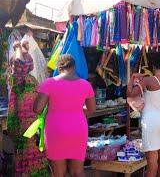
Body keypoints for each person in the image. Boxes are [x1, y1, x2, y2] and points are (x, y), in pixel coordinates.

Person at [33, 54, 96, 177]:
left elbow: (37, 109)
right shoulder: (85, 84)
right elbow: (91, 109)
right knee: (77, 172)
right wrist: (75, 110)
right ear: (74, 67)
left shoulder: (49, 83)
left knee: (58, 173)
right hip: (78, 129)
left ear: (59, 67)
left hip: (55, 131)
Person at [127, 51, 160, 177]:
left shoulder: (149, 80)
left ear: (153, 66)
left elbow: (130, 94)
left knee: (152, 162)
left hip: (150, 121)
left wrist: (132, 78)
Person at [6, 41, 49, 176]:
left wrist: (21, 48)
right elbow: (19, 62)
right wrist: (19, 48)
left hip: (31, 124)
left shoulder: (29, 78)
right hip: (24, 124)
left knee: (33, 154)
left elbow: (20, 62)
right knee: (29, 155)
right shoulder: (17, 78)